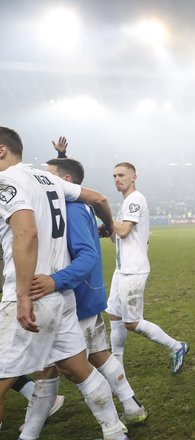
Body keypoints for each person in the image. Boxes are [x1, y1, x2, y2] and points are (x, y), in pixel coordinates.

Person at [0, 126, 128, 440]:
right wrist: (108, 225)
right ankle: (115, 431)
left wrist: (23, 296)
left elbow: (26, 233)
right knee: (76, 368)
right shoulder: (46, 178)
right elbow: (98, 197)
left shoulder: (7, 181)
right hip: (60, 297)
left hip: (30, 293)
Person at [27, 158, 148, 424]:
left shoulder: (72, 209)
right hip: (86, 293)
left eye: (51, 176)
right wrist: (61, 153)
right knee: (98, 354)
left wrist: (55, 281)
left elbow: (88, 254)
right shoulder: (74, 206)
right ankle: (131, 405)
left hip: (76, 297)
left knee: (53, 367)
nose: (45, 180)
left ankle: (111, 426)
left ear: (65, 182)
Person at [107, 162, 188, 374]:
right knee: (114, 316)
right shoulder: (125, 203)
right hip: (121, 269)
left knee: (132, 322)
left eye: (122, 175)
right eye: (114, 175)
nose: (117, 179)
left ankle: (177, 346)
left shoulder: (135, 199)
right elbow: (116, 236)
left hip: (133, 270)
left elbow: (124, 230)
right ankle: (117, 367)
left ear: (134, 177)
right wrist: (107, 228)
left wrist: (105, 215)